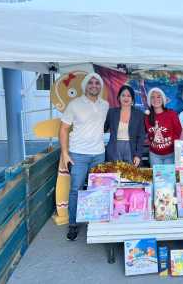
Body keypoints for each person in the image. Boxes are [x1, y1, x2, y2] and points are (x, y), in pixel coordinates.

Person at [59, 72, 109, 241]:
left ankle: (94, 222)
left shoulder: (105, 105)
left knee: (97, 190)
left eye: (97, 82)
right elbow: (63, 129)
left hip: (99, 154)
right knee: (76, 190)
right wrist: (65, 153)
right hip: (78, 154)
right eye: (91, 83)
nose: (94, 85)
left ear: (100, 86)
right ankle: (73, 224)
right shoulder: (74, 104)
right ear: (85, 85)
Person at [104, 85, 145, 166]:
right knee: (115, 175)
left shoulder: (139, 114)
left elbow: (141, 136)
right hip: (114, 149)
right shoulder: (111, 112)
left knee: (130, 175)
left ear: (132, 99)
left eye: (129, 96)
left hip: (131, 148)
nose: (126, 98)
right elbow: (103, 129)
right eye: (123, 95)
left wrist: (138, 155)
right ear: (119, 97)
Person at [144, 88, 182, 166]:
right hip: (154, 155)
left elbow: (179, 133)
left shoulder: (172, 114)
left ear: (163, 99)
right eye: (152, 97)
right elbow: (143, 134)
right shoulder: (147, 117)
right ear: (149, 101)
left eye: (158, 96)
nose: (156, 99)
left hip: (170, 154)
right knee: (157, 178)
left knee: (169, 178)